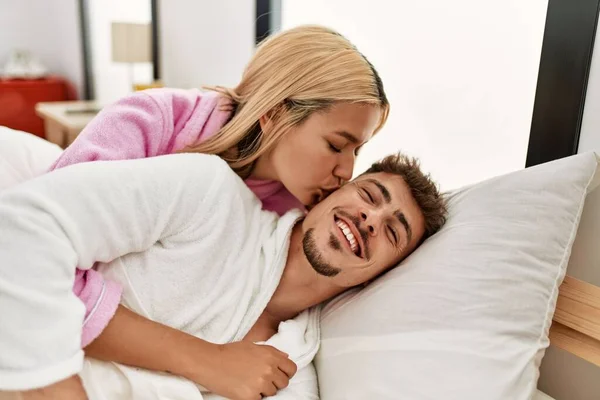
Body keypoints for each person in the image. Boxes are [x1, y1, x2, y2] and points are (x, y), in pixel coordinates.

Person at [43, 24, 389, 393]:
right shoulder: (150, 121)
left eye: (358, 151)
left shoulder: (291, 211)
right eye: (337, 145)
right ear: (274, 113)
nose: (347, 171)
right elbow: (38, 258)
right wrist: (205, 359)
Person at [0, 152, 446, 399]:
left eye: (393, 231)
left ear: (383, 275)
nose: (371, 219)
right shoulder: (208, 195)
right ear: (326, 195)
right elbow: (22, 225)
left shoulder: (292, 371)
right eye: (370, 195)